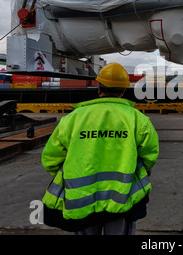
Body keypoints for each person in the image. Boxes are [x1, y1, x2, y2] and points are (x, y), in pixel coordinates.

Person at [41, 62, 159, 234]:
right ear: (124, 90)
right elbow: (150, 156)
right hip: (122, 199)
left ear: (98, 88)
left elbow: (50, 158)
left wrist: (72, 178)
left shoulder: (73, 119)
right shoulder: (137, 119)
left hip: (81, 201)